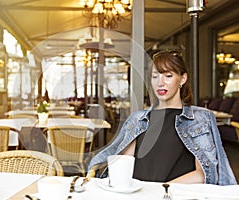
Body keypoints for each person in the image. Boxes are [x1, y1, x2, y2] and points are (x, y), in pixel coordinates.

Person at [88, 50, 237, 186]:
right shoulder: (138, 119)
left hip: (173, 195)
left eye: (168, 76)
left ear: (182, 78)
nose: (160, 82)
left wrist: (161, 190)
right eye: (155, 76)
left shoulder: (200, 118)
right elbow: (124, 164)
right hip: (138, 194)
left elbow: (203, 174)